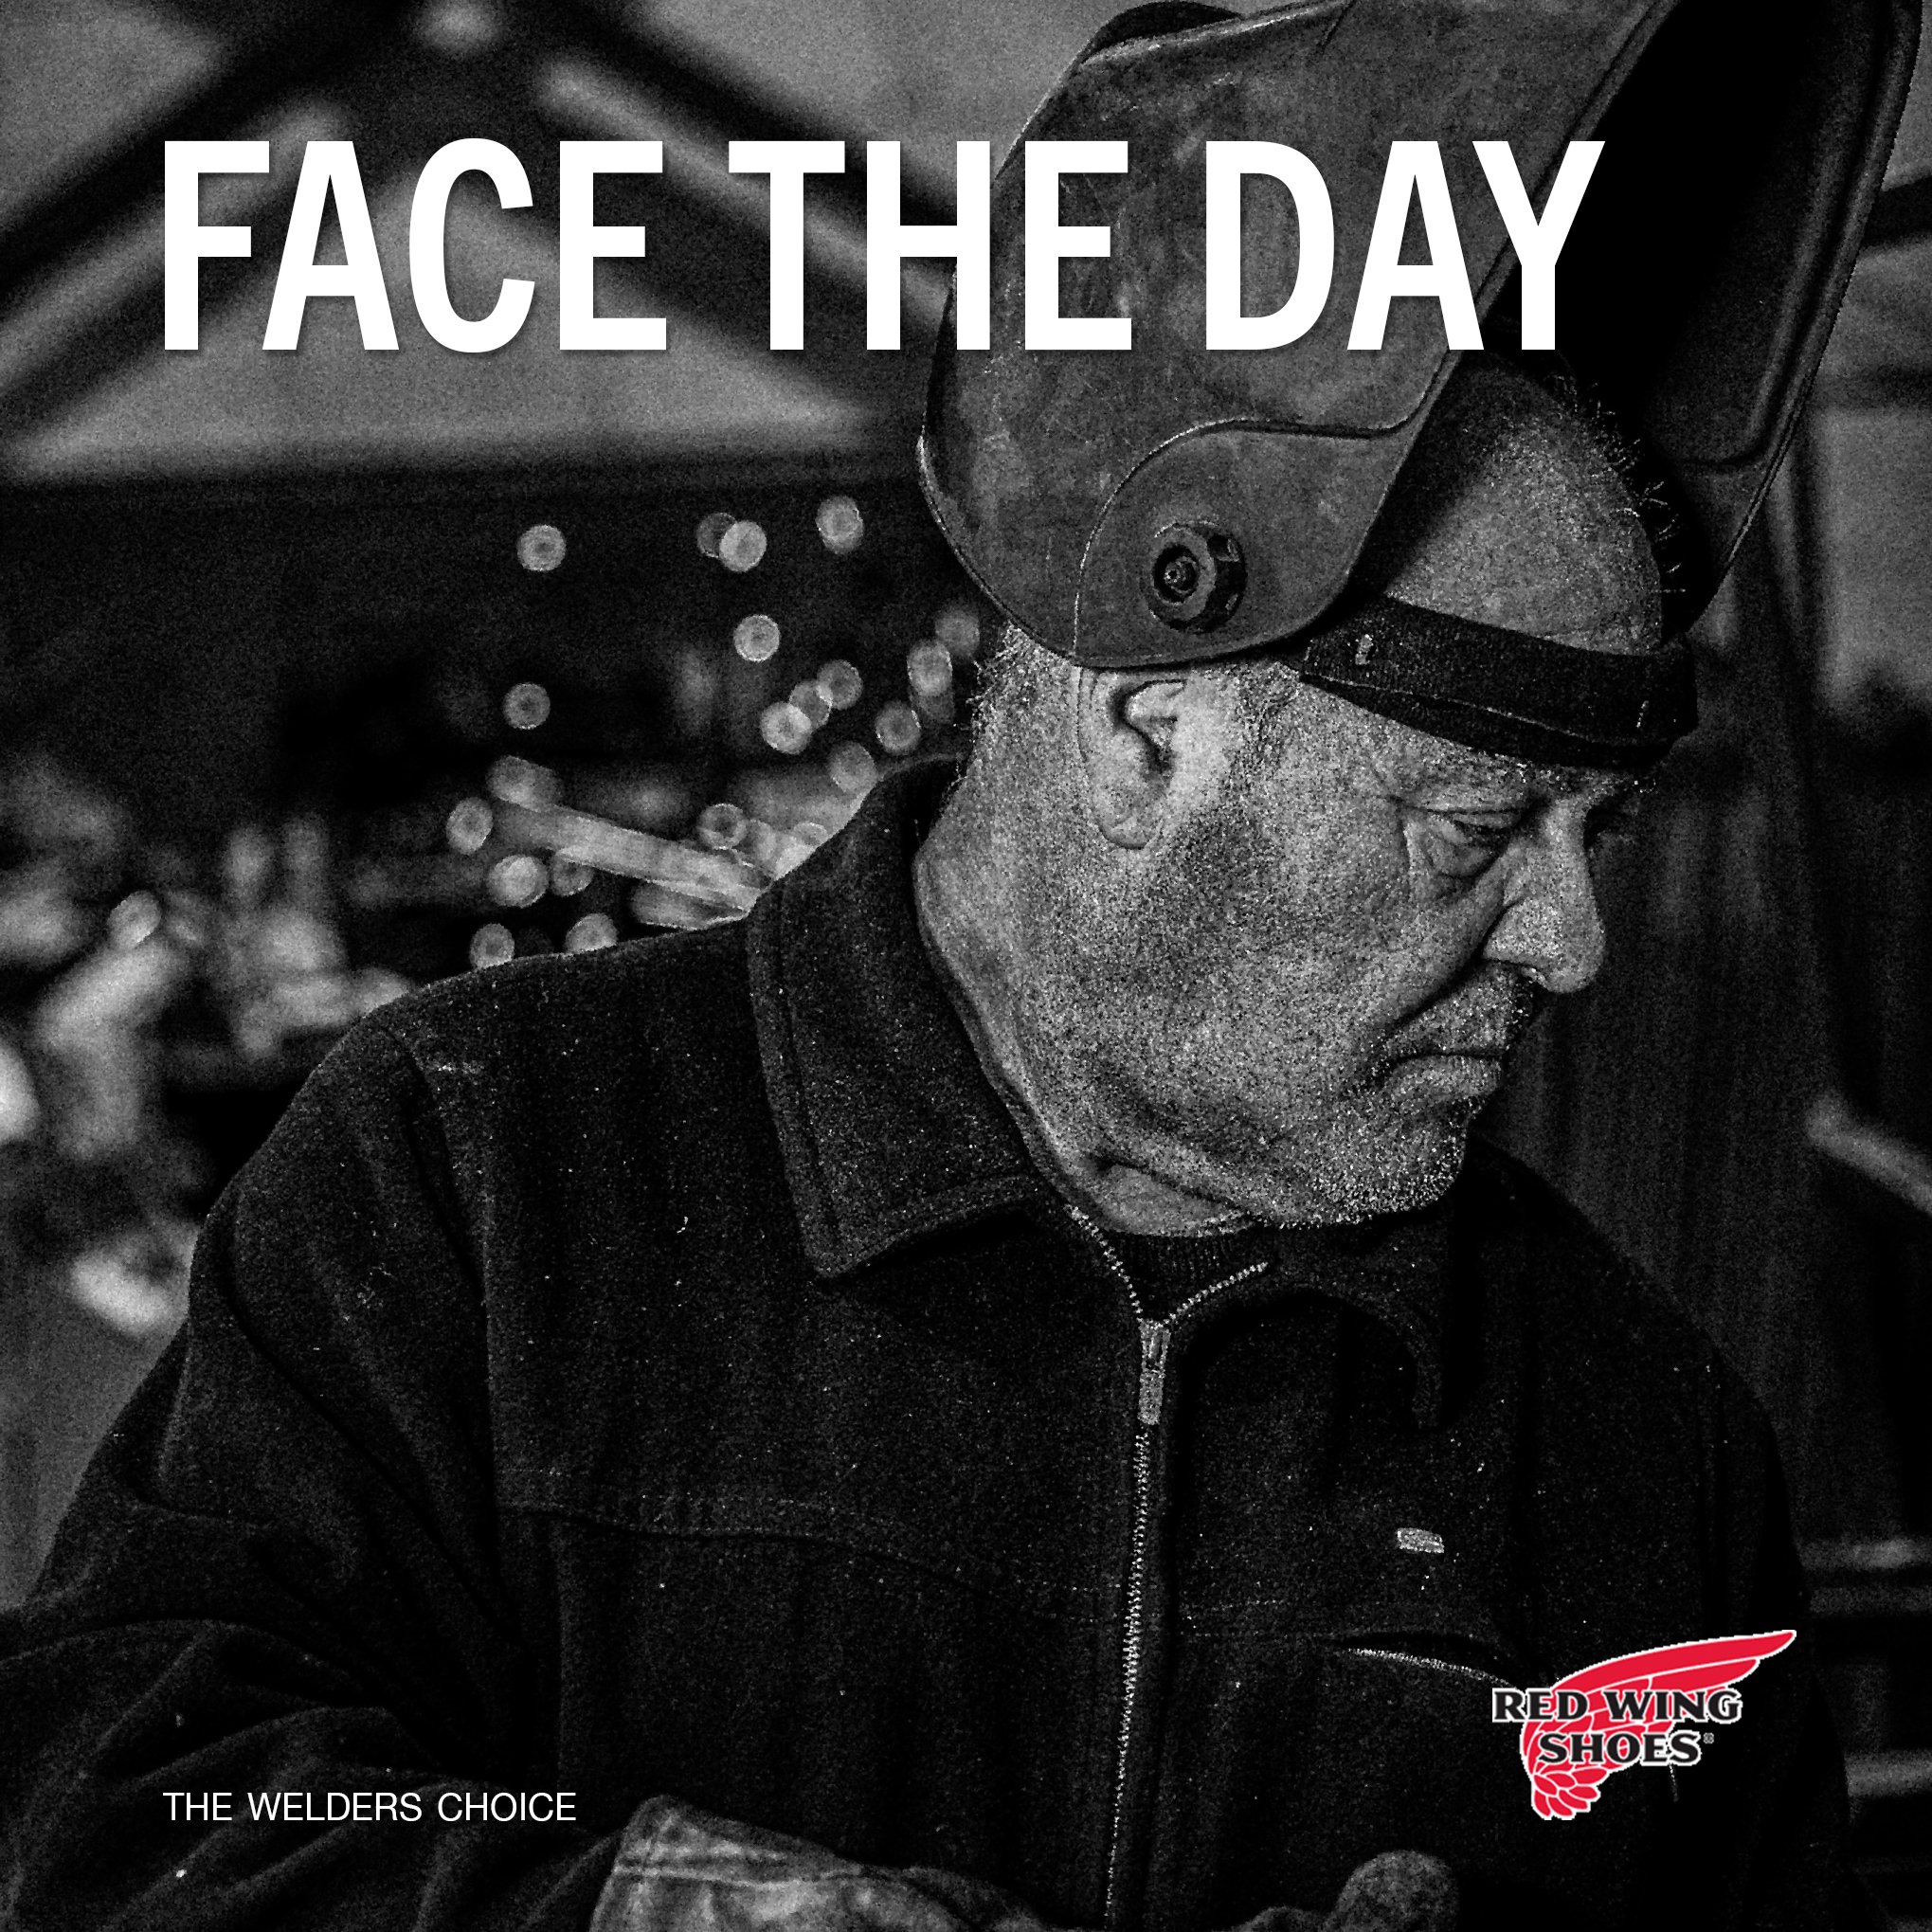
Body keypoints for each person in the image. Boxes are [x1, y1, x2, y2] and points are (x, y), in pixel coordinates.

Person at [0, 2, 1917, 1929]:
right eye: (1477, 831)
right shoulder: (481, 1179)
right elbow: (130, 1806)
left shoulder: (1628, 1442)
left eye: (1603, 834)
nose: (1573, 942)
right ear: (1149, 731)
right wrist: (641, 1908)